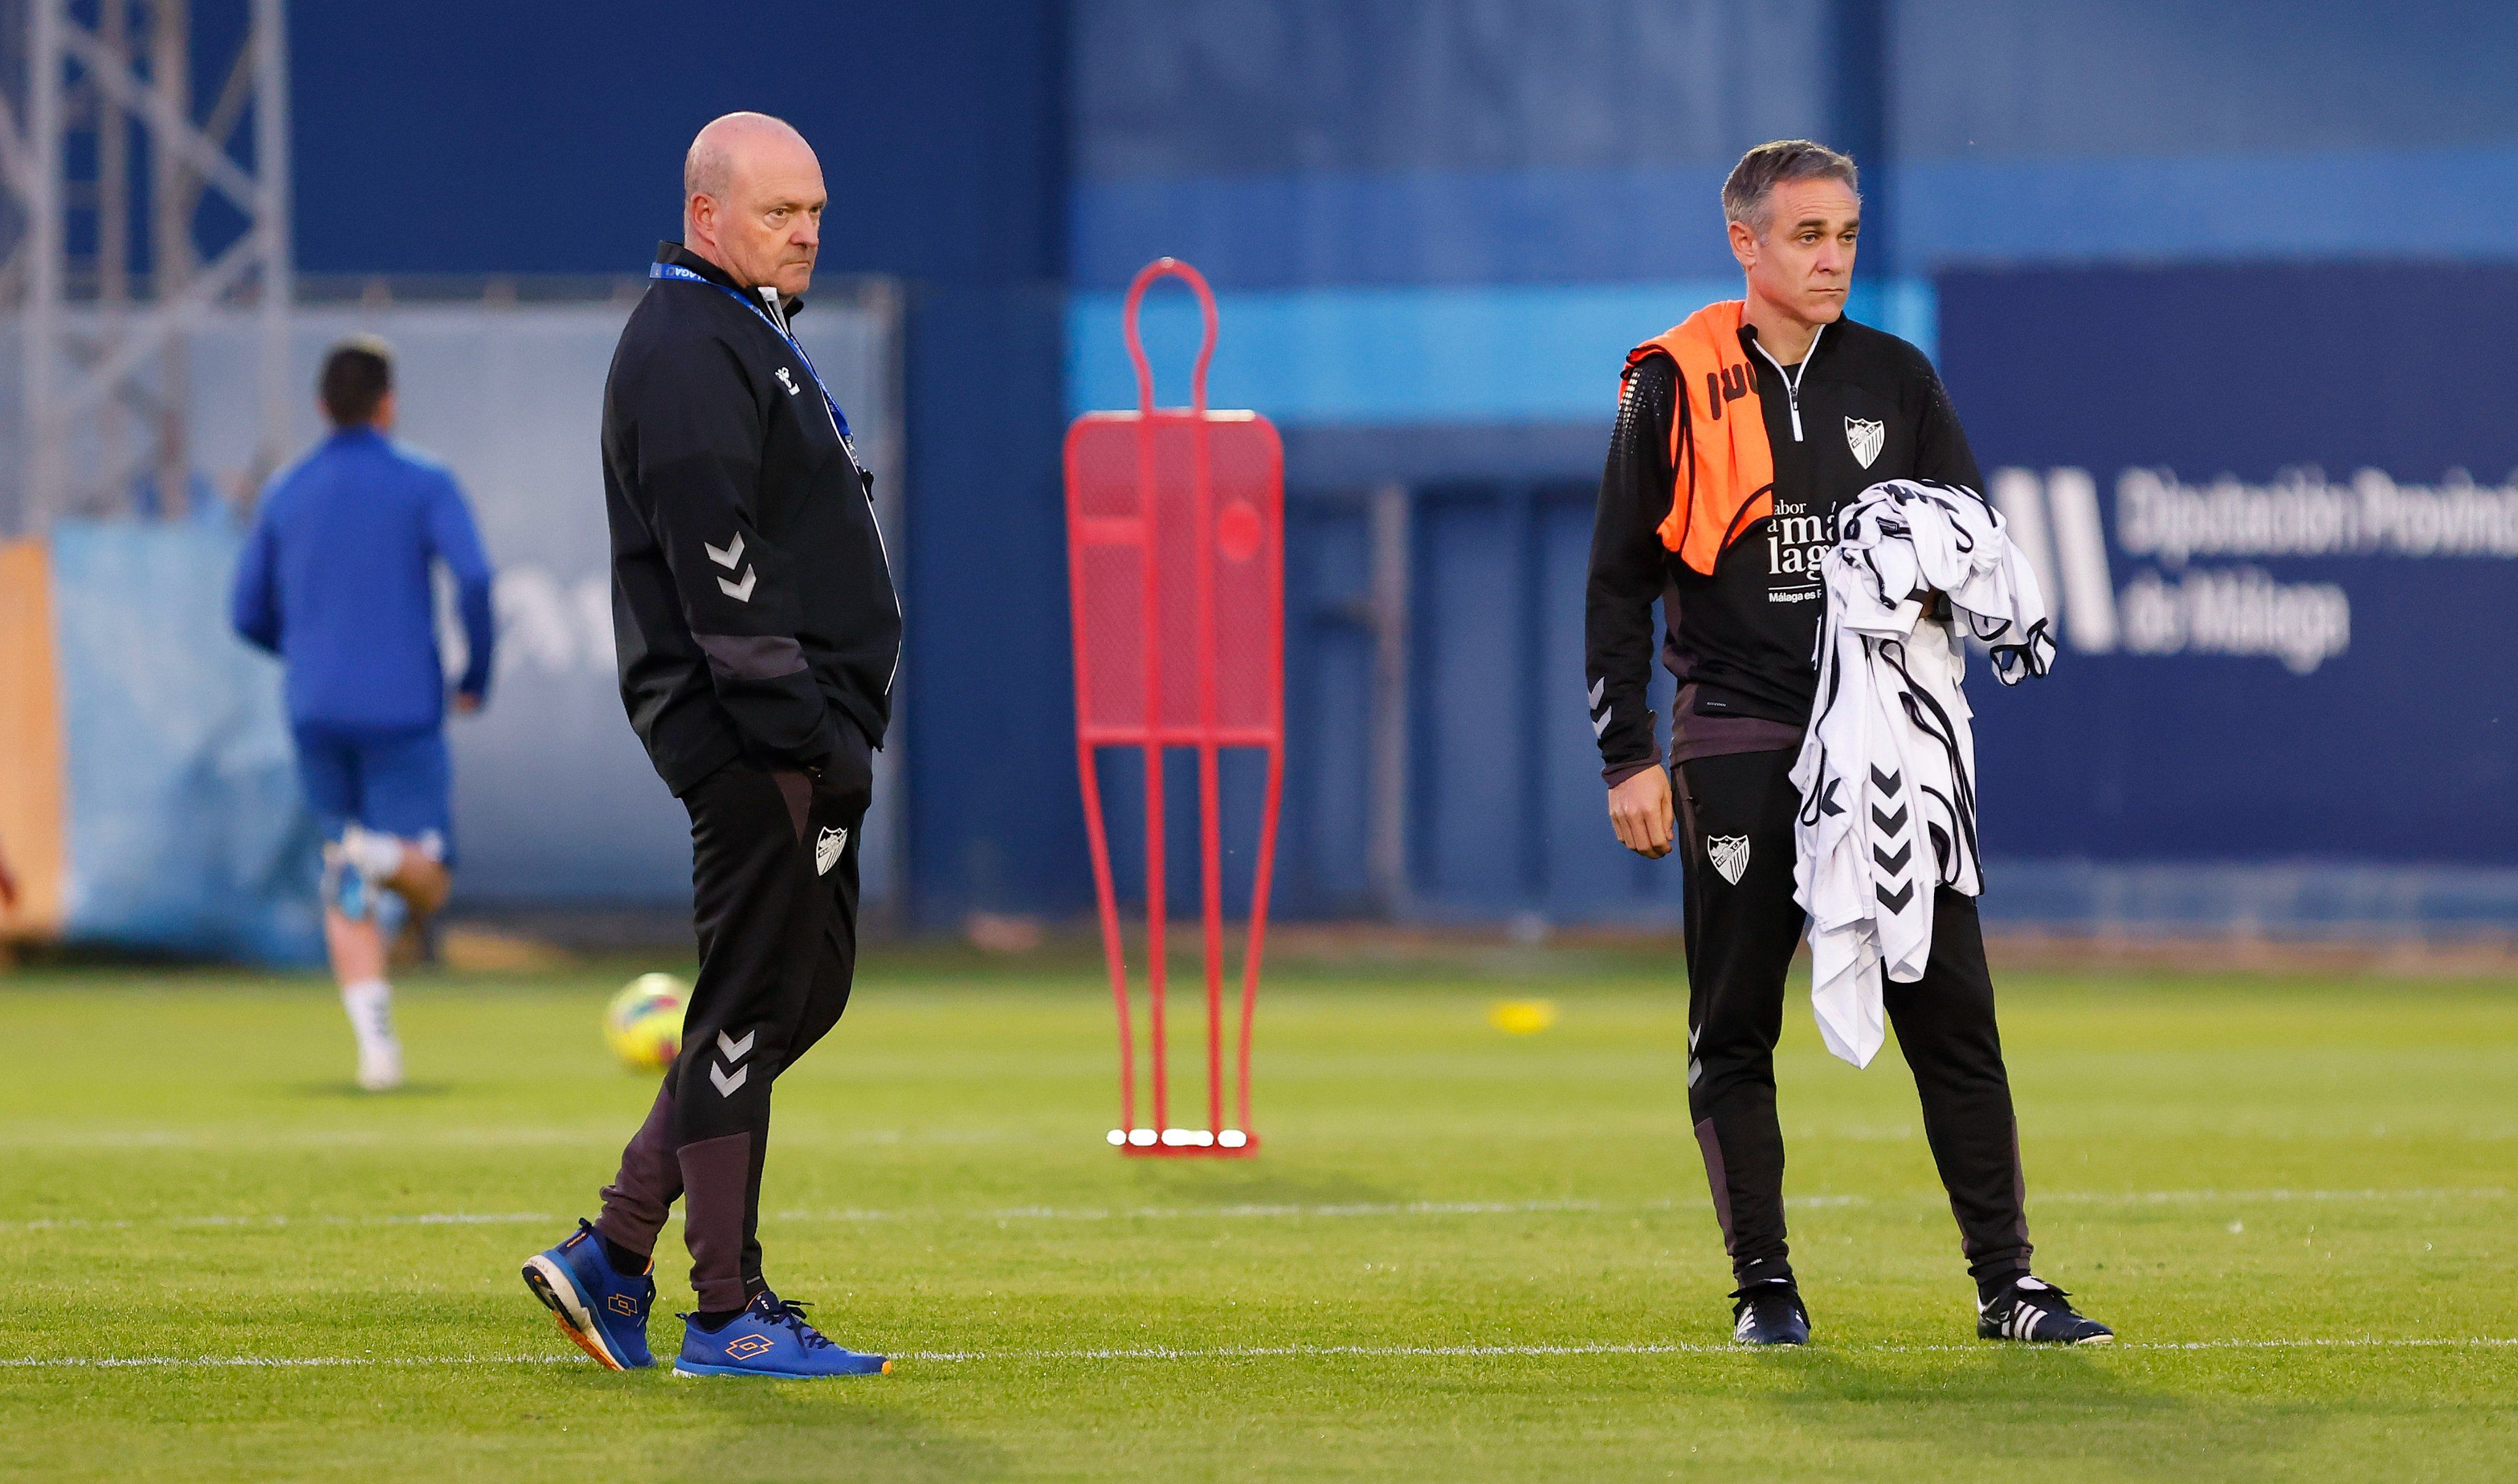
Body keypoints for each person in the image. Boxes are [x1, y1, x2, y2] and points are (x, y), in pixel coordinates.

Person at [1582, 140, 2112, 1347]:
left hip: (1887, 750)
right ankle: (1762, 1287)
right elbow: (1616, 582)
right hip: (1736, 738)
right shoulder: (1666, 384)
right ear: (1745, 243)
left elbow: (1971, 543)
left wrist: (1934, 584)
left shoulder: (1897, 377)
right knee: (1732, 1023)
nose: (1832, 259)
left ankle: (2009, 1284)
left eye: (1847, 236)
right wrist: (1626, 754)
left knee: (1951, 1012)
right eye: (1808, 235)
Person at [519, 112, 899, 1381]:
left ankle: (614, 1248)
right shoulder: (688, 342)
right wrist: (808, 733)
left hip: (796, 730)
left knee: (800, 990)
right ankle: (726, 1311)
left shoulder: (739, 330)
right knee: (749, 999)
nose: (805, 234)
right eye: (779, 212)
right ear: (705, 216)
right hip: (757, 737)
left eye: (815, 212)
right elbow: (720, 567)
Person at [232, 337, 495, 1092]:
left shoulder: (287, 488)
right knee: (429, 878)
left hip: (316, 707)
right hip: (401, 707)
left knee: (340, 867)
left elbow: (245, 611)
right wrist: (475, 673)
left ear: (322, 406)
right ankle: (378, 853)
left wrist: (307, 653)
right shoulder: (422, 480)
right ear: (388, 403)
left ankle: (378, 1050)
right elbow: (475, 578)